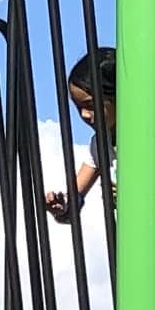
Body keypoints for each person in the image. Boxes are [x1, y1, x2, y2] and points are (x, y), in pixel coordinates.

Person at [40, 45, 116, 223]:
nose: (84, 114)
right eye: (78, 107)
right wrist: (64, 206)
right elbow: (75, 197)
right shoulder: (100, 145)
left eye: (90, 105)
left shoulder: (147, 133)